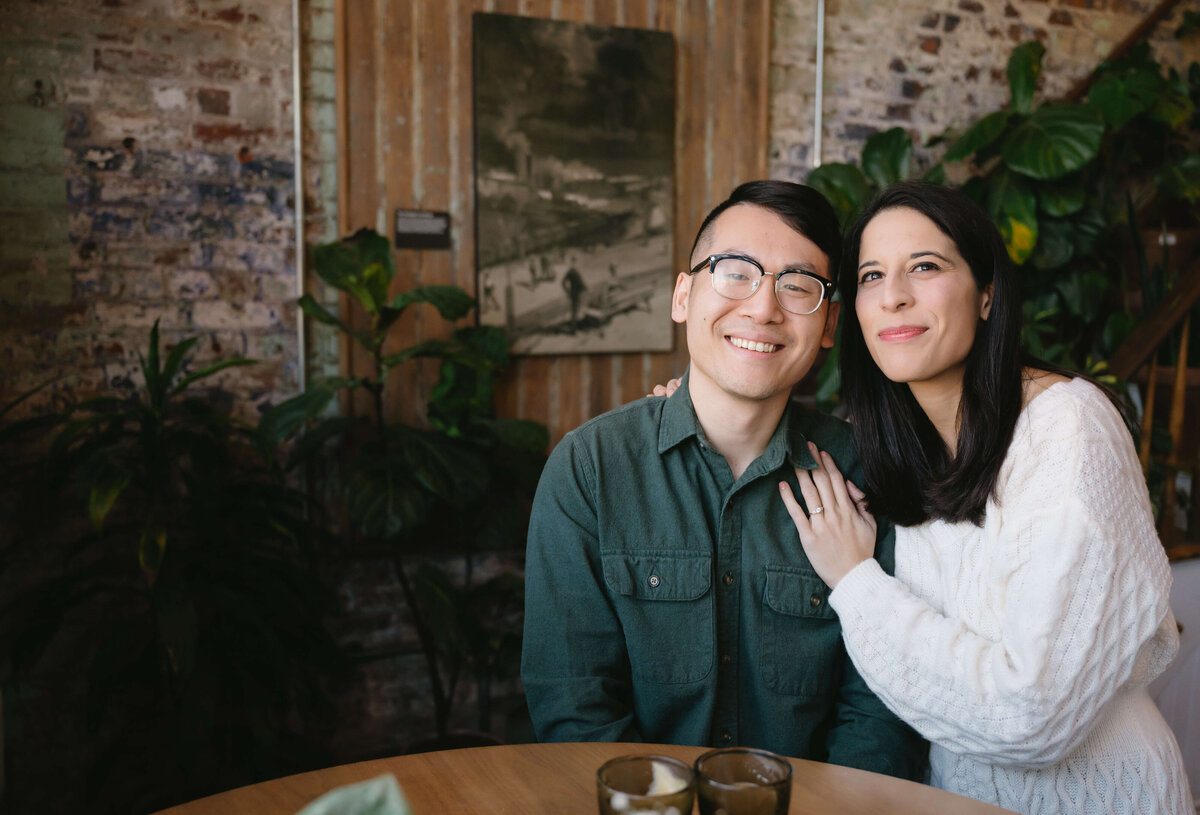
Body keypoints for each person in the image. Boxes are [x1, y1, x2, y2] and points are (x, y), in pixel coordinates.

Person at [779, 181, 1192, 813]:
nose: (893, 296)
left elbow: (1032, 715)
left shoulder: (1066, 428)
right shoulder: (897, 444)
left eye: (925, 266)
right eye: (870, 275)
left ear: (987, 294)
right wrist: (690, 405)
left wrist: (856, 581)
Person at [521, 180, 926, 779]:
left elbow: (880, 708)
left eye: (797, 286)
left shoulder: (863, 474)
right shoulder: (590, 469)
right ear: (683, 295)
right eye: (736, 272)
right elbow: (574, 703)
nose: (764, 308)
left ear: (830, 323)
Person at [561, 258, 587, 332]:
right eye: (574, 262)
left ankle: (574, 327)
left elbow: (563, 282)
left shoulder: (571, 272)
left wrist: (568, 291)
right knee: (575, 310)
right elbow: (563, 282)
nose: (575, 264)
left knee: (575, 310)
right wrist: (568, 291)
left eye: (575, 262)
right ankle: (574, 329)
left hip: (574, 293)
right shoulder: (573, 272)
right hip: (576, 293)